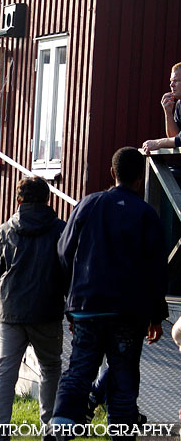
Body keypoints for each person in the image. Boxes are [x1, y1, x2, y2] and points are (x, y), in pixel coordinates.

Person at [50, 147, 168, 434]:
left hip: (87, 305)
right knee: (124, 378)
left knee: (78, 373)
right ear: (141, 179)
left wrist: (70, 301)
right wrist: (156, 316)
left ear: (112, 173)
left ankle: (59, 430)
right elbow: (157, 270)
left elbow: (64, 253)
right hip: (129, 312)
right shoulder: (147, 215)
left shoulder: (89, 204)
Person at [0, 176, 66, 441]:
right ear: (48, 199)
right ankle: (51, 429)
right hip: (47, 309)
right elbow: (68, 270)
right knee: (51, 368)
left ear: (18, 199)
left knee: (6, 371)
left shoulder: (7, 228)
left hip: (12, 309)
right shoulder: (60, 229)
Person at [142, 62, 181, 153]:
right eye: (171, 81)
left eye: (175, 81)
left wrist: (158, 143)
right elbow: (174, 138)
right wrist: (168, 113)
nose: (171, 85)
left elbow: (179, 140)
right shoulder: (179, 104)